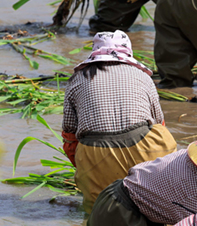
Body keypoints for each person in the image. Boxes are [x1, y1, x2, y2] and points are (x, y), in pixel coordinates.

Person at [61, 30, 177, 212]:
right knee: (152, 208)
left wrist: (85, 168)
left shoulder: (76, 80)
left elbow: (69, 137)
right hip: (144, 148)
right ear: (127, 51)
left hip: (95, 152)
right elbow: (159, 122)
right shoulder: (142, 76)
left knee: (99, 213)